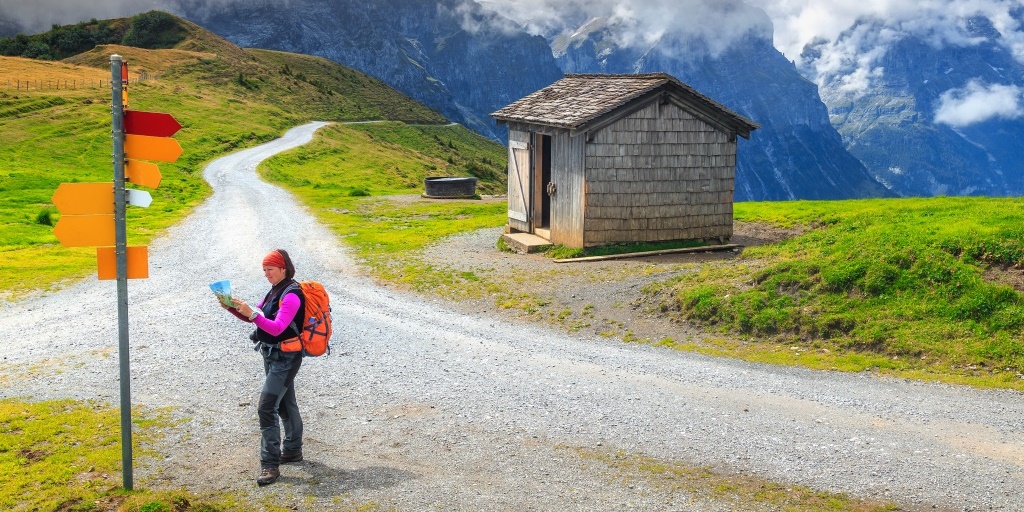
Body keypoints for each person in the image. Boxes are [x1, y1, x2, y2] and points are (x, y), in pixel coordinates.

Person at [223, 249, 306, 486]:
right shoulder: (275, 291)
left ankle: (270, 465)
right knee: (285, 403)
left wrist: (252, 314)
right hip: (271, 355)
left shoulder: (291, 295)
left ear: (283, 268)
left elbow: (277, 327)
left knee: (266, 407)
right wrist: (232, 307)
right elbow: (257, 318)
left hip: (286, 359)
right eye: (264, 270)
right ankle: (292, 450)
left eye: (270, 270)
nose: (266, 274)